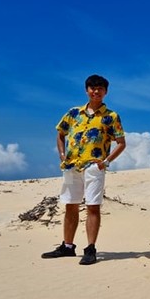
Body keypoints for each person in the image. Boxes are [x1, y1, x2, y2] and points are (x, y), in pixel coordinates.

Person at [42, 74, 126, 265]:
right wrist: (62, 156)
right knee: (70, 204)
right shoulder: (73, 113)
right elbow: (60, 133)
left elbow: (121, 142)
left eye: (100, 88)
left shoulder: (111, 116)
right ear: (87, 90)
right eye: (92, 88)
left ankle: (90, 248)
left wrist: (106, 161)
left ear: (105, 92)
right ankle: (68, 246)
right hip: (71, 166)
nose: (96, 91)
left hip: (94, 166)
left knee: (93, 206)